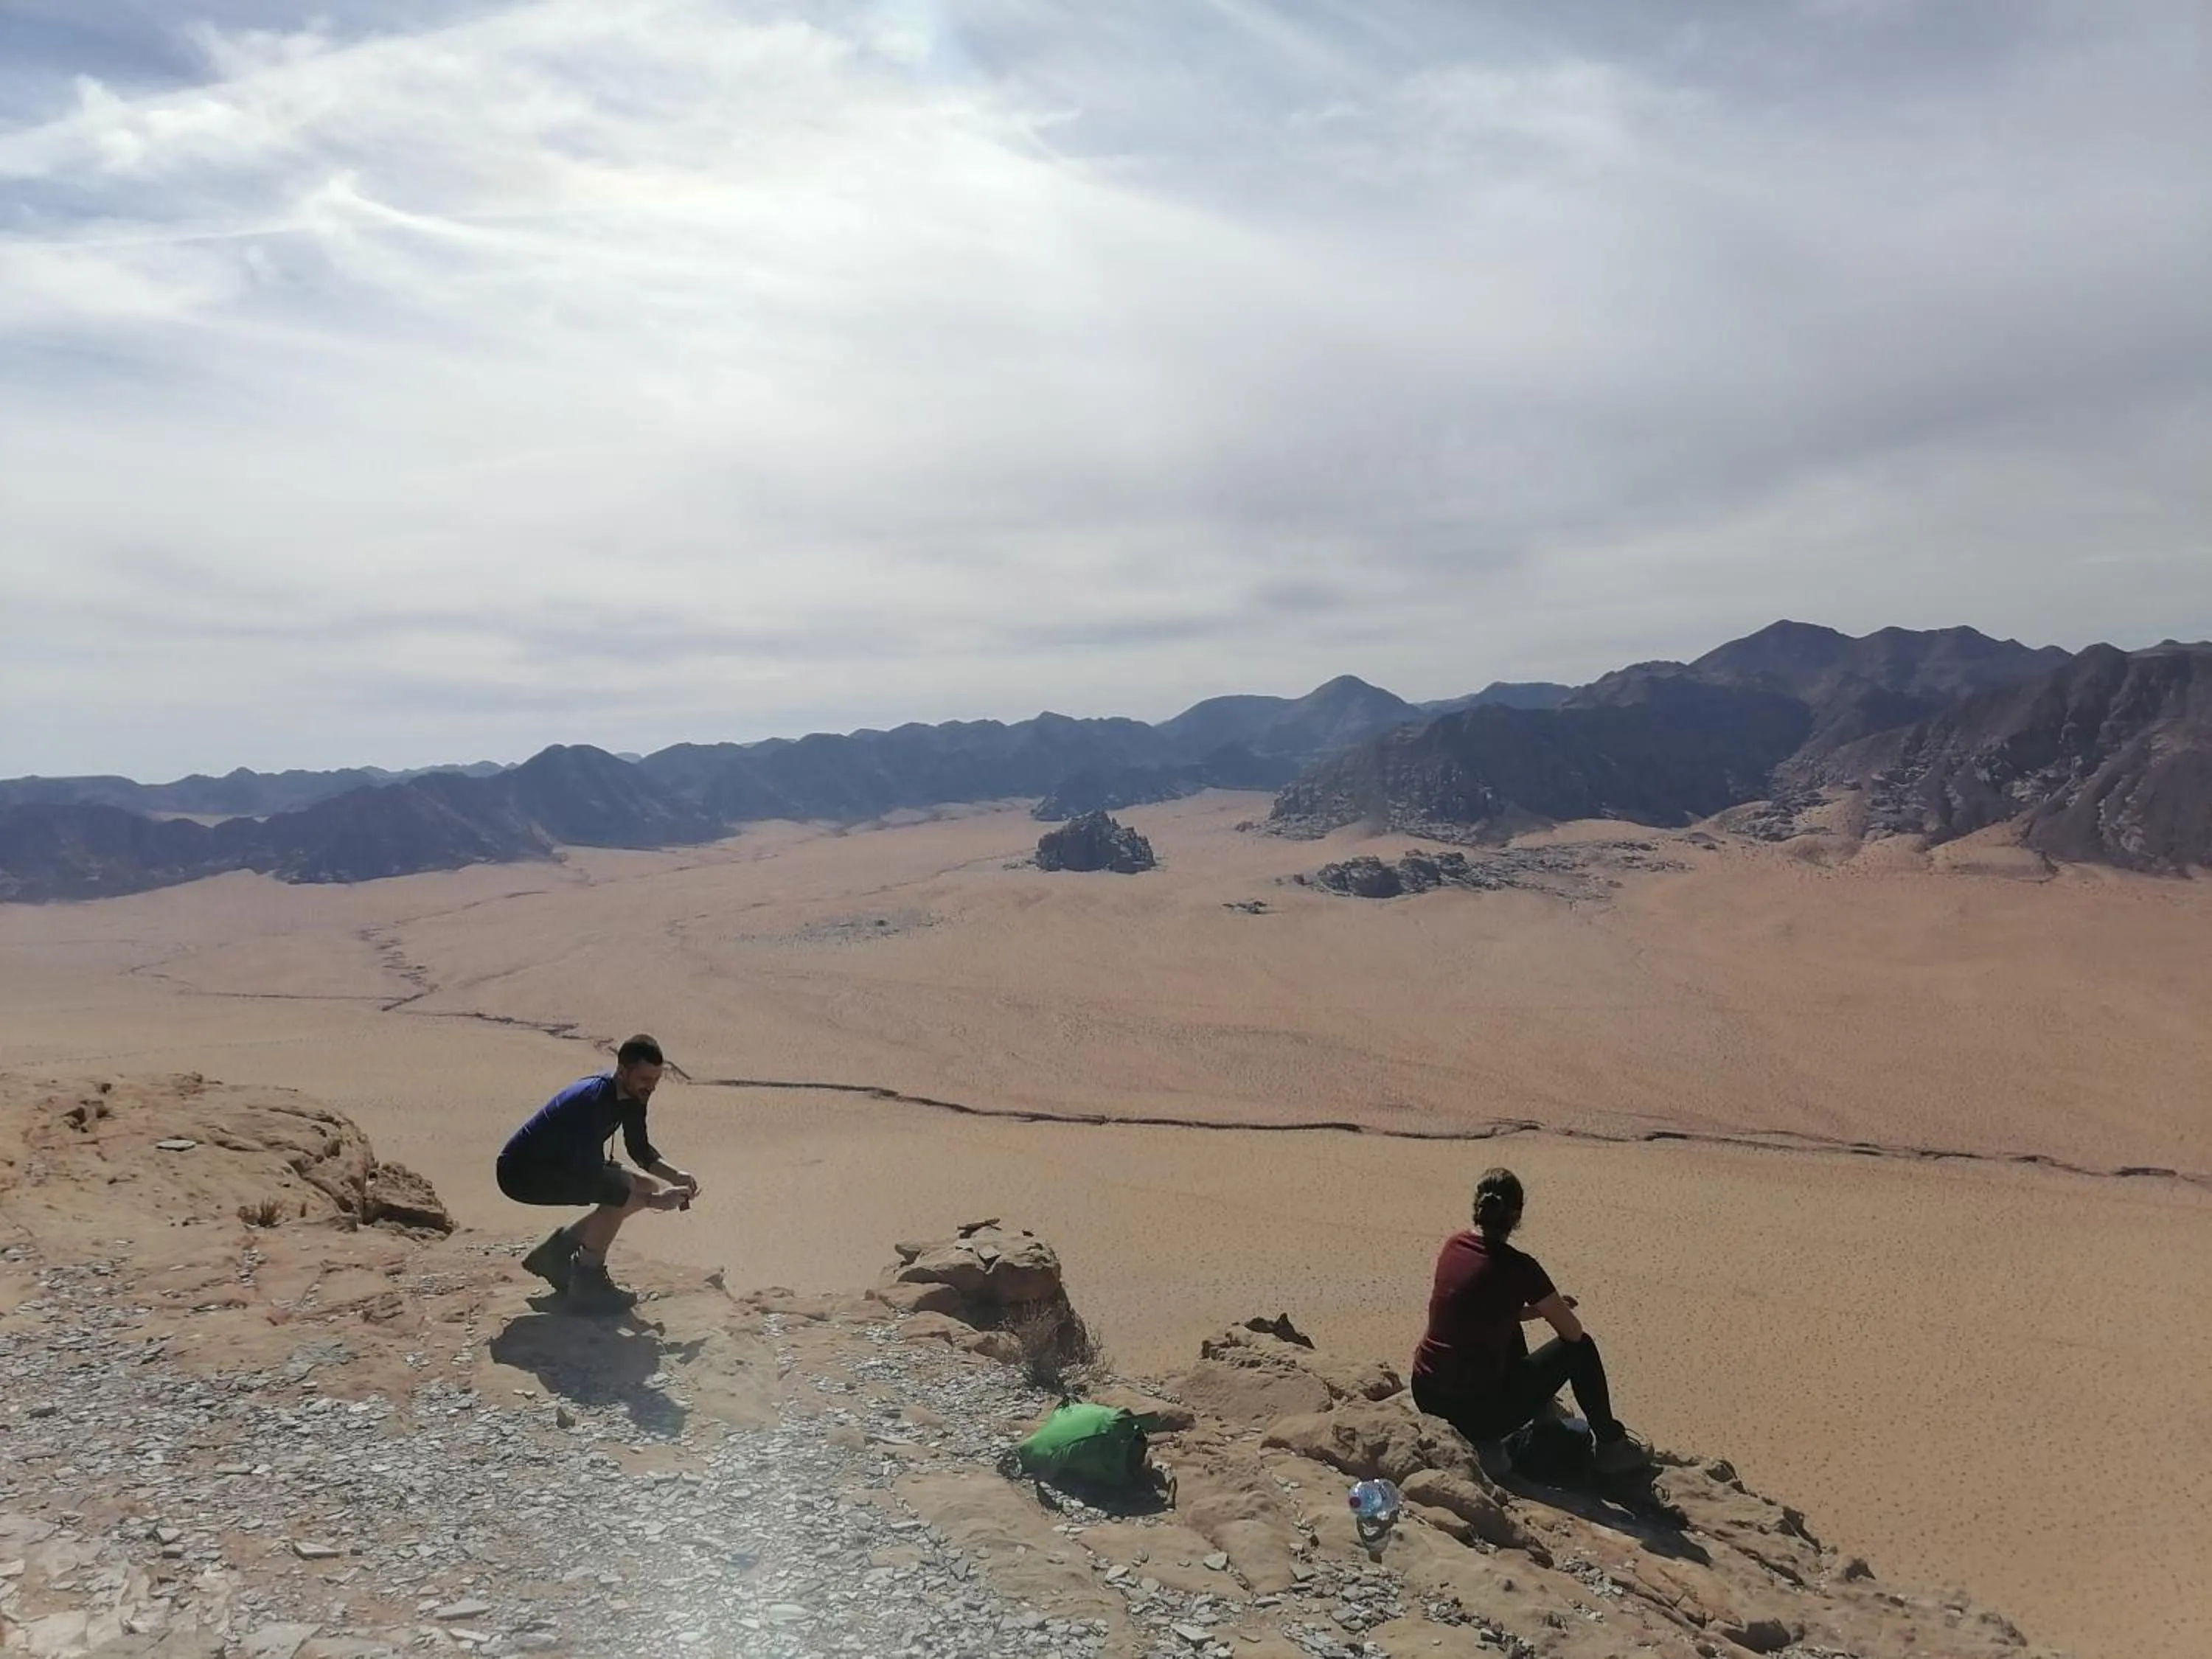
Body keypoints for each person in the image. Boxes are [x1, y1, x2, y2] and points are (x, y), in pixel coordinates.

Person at [1410, 1166, 1649, 1476]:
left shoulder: (1454, 1245)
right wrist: (1552, 1309)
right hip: (1472, 1414)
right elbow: (1573, 1334)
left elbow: (1480, 1313)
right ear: (1517, 1215)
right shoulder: (1520, 1268)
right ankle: (1612, 1446)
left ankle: (1542, 1413)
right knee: (1582, 1350)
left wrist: (1535, 1310)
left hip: (1426, 1392)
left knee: (1510, 1326)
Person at [497, 1034, 702, 1313]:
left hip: (562, 1163)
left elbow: (639, 1149)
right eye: (645, 1079)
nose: (651, 1087)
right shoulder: (591, 1102)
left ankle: (556, 1254)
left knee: (644, 1184)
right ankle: (588, 1282)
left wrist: (676, 1175)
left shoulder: (632, 1095)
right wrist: (656, 1202)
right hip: (523, 1173)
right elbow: (599, 1180)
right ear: (622, 1071)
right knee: (622, 1191)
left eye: (656, 1080)